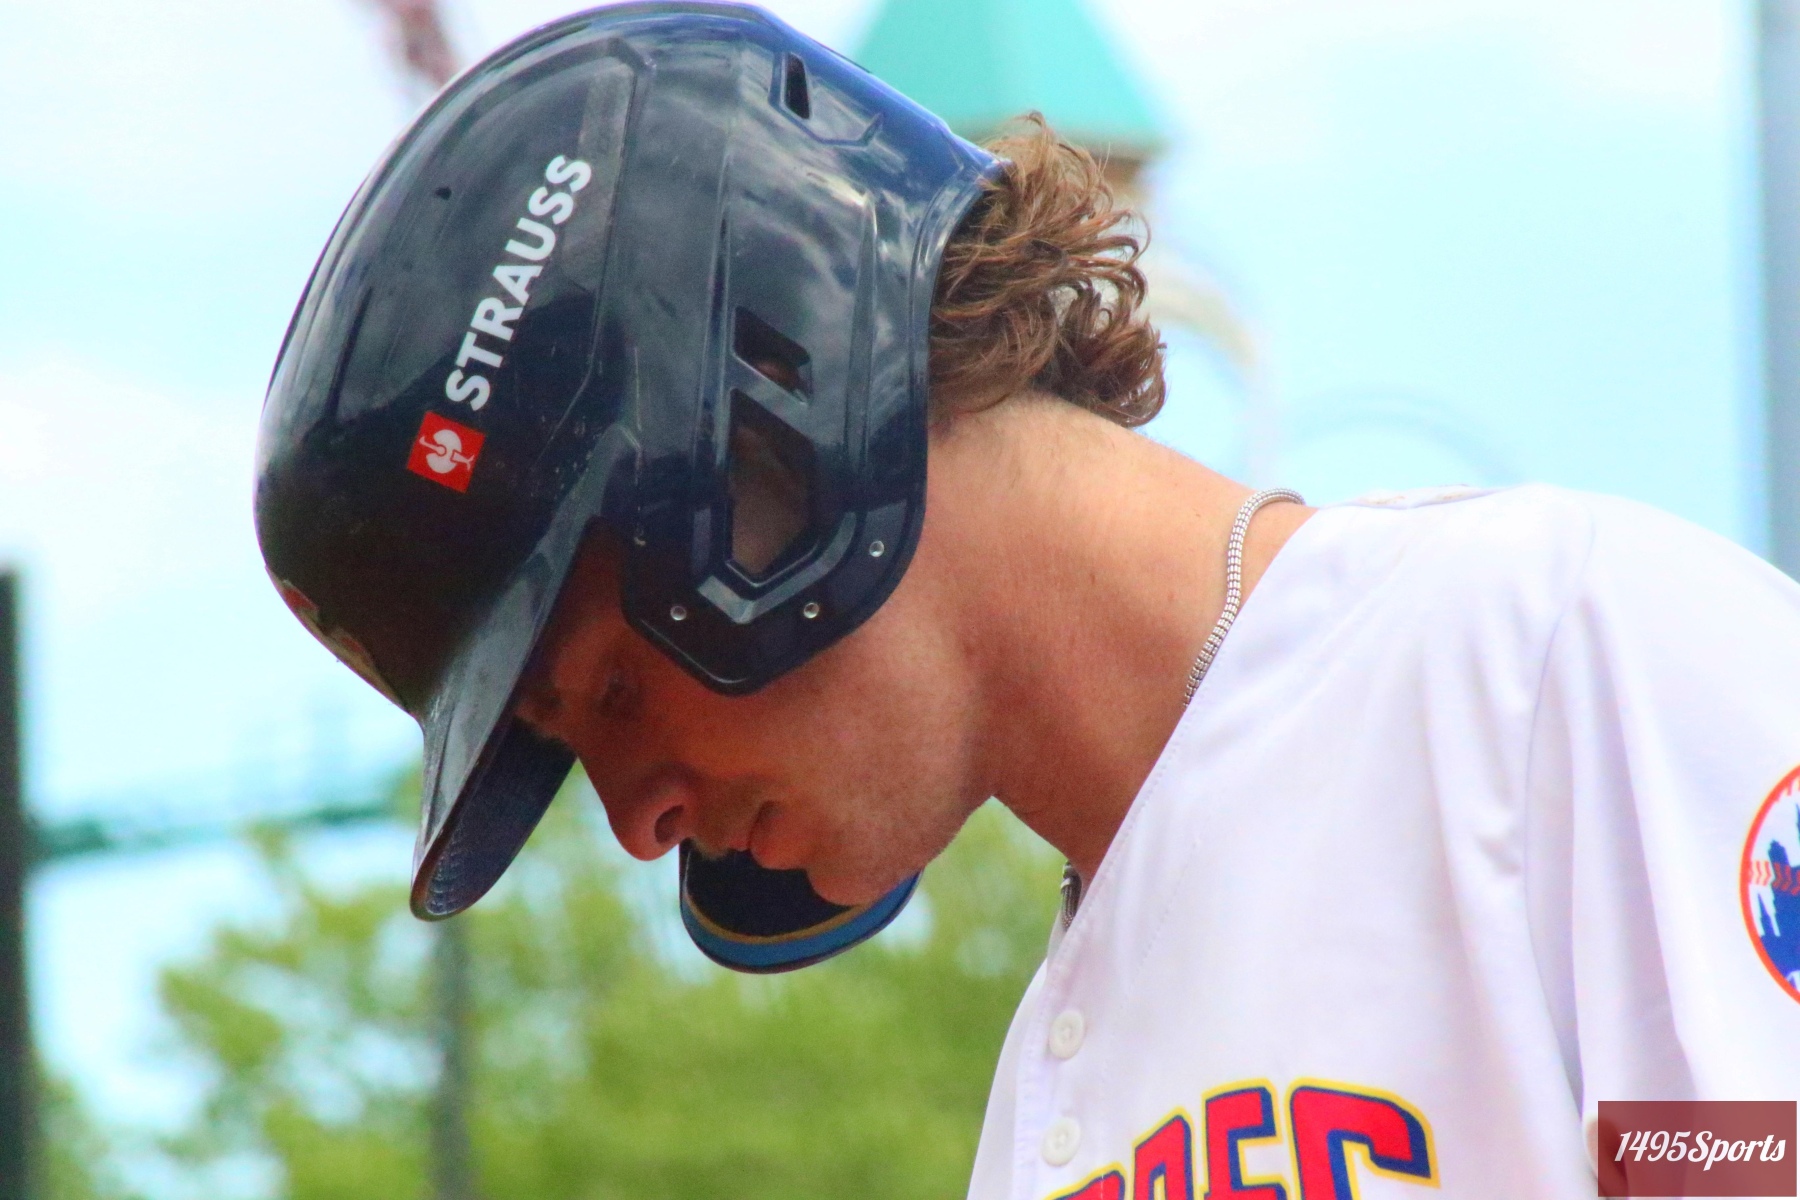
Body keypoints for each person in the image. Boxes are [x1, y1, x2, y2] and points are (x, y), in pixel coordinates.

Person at [255, 4, 1800, 1197]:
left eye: (604, 688)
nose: (637, 822)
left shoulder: (1559, 658)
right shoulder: (1047, 1099)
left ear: (768, 435)